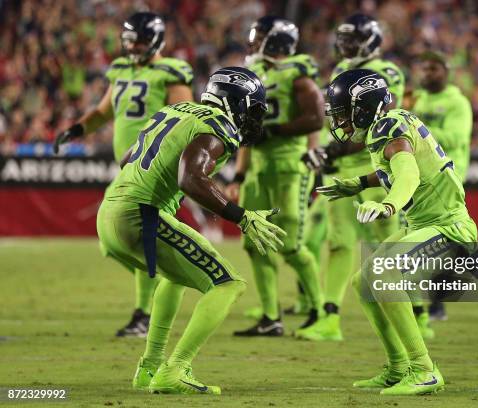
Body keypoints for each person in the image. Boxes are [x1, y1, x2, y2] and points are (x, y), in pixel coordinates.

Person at [98, 67, 286, 394]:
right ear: (234, 103)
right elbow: (191, 178)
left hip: (108, 214)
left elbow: (128, 157)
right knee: (228, 284)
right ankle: (177, 368)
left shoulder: (172, 111)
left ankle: (150, 368)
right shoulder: (217, 127)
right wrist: (241, 216)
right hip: (140, 215)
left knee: (176, 278)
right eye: (251, 108)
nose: (252, 117)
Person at [318, 68, 478, 395]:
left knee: (383, 275)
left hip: (448, 227)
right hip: (426, 226)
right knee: (363, 281)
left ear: (363, 107)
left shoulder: (388, 129)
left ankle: (423, 370)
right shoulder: (392, 121)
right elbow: (396, 166)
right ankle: (398, 367)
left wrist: (389, 205)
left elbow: (407, 173)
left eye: (344, 114)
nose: (340, 123)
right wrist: (359, 184)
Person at [54, 12, 194, 337]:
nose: (133, 47)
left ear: (156, 40)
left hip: (155, 168)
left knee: (138, 237)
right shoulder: (120, 71)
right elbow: (104, 112)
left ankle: (144, 314)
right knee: (113, 240)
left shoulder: (171, 72)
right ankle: (156, 283)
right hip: (129, 169)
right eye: (129, 40)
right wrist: (76, 129)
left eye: (140, 40)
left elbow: (185, 119)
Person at [297, 13, 412, 341]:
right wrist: (324, 152)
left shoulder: (387, 73)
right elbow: (332, 120)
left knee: (386, 242)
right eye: (343, 39)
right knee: (339, 243)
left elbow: (382, 123)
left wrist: (333, 150)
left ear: (371, 40)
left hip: (373, 165)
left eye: (352, 39)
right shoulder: (338, 70)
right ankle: (330, 317)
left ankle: (414, 312)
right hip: (341, 166)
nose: (345, 45)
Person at [225, 16, 325, 336]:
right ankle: (271, 317)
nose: (254, 42)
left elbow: (316, 118)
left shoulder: (297, 71)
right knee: (255, 242)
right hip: (258, 169)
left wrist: (279, 130)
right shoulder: (254, 75)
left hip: (289, 167)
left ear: (277, 40)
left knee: (290, 246)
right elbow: (248, 134)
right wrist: (238, 177)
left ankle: (322, 311)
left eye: (261, 36)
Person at [411, 50, 473, 321]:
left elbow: (457, 137)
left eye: (433, 69)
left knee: (441, 243)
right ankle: (427, 301)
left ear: (446, 71)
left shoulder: (457, 102)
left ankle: (437, 302)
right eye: (424, 68)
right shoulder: (419, 99)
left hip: (448, 179)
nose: (427, 74)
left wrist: (419, 131)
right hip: (421, 180)